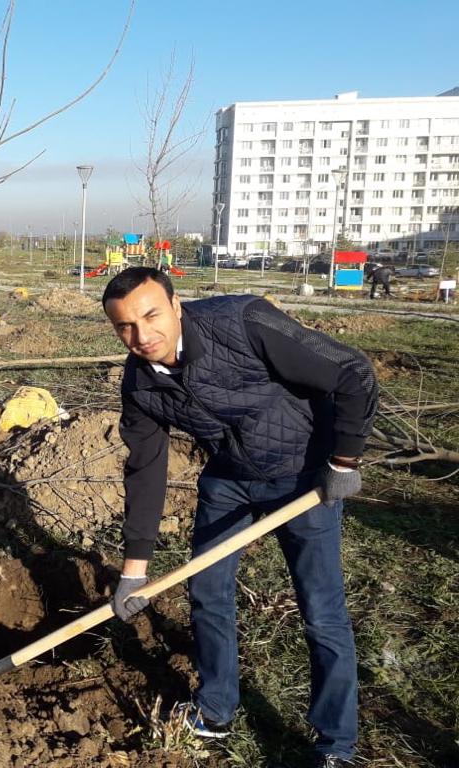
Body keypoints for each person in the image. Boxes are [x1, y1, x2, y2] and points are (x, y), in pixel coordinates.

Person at [103, 267, 377, 768]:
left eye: (151, 315)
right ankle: (215, 709)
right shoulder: (140, 385)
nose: (142, 336)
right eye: (125, 326)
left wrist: (344, 461)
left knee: (320, 609)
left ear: (176, 304)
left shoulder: (243, 322)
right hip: (228, 479)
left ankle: (336, 743)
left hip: (304, 478)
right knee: (207, 591)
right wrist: (134, 570)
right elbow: (144, 471)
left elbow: (352, 371)